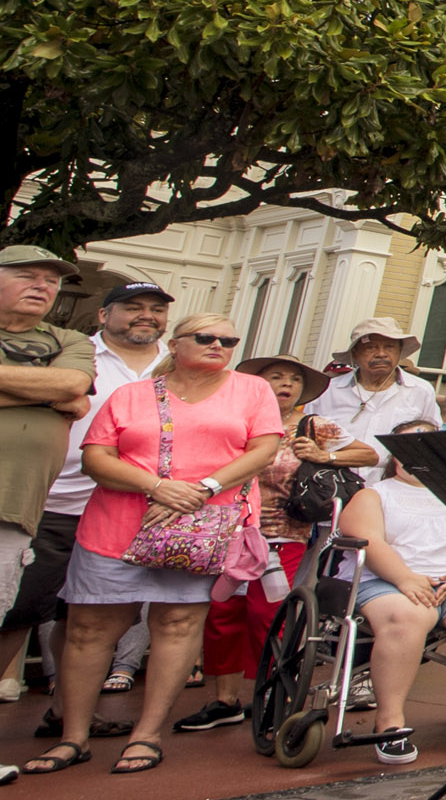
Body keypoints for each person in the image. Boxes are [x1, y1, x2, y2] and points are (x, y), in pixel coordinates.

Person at [27, 313, 282, 776]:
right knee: (88, 630)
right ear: (177, 342)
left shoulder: (251, 389)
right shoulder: (131, 394)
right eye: (205, 337)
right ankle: (73, 737)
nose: (218, 345)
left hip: (203, 527)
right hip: (117, 525)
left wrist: (202, 487)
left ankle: (146, 735)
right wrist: (156, 486)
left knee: (178, 624)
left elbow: (262, 450)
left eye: (229, 339)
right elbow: (96, 458)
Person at [13, 280, 175, 741]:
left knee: (92, 618)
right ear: (104, 315)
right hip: (57, 500)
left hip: (131, 510)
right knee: (17, 612)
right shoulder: (74, 355)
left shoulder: (177, 366)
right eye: (132, 307)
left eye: (155, 309)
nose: (146, 316)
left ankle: (67, 712)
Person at [175, 354, 331, 733]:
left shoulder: (311, 426)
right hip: (225, 527)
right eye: (276, 377)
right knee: (222, 615)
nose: (286, 384)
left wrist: (327, 455)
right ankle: (224, 700)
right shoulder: (232, 418)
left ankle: (276, 697)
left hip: (281, 531)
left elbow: (369, 453)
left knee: (268, 615)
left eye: (294, 379)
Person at [340, 453, 446, 764]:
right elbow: (368, 540)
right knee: (409, 616)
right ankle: (389, 722)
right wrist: (404, 578)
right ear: (395, 459)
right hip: (388, 579)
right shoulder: (374, 494)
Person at [0, 246, 94, 779]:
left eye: (51, 280)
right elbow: (59, 395)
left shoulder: (66, 342)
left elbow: (71, 388)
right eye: (26, 276)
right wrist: (42, 398)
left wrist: (60, 394)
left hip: (16, 507)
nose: (42, 286)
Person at [313, 317, 441, 464]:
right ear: (355, 353)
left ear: (400, 352)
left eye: (389, 347)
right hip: (334, 480)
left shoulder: (420, 391)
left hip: (394, 483)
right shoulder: (329, 391)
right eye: (371, 347)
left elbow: (432, 441)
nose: (381, 354)